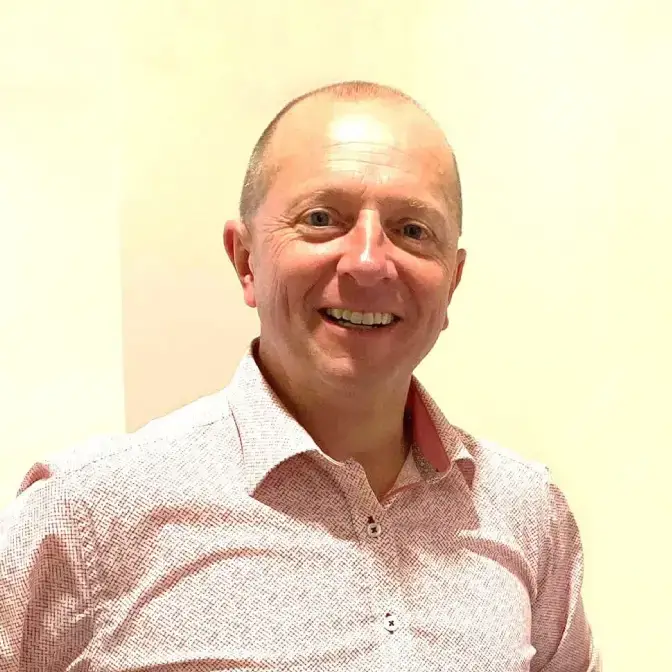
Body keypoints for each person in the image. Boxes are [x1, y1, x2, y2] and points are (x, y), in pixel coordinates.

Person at [0, 80, 600, 671]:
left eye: (413, 230)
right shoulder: (84, 518)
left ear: (452, 282)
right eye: (321, 218)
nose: (368, 262)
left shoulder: (528, 512)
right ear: (246, 261)